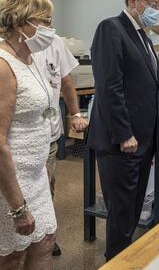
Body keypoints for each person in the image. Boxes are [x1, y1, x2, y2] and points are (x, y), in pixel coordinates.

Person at [87, 0, 159, 261]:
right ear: (133, 0)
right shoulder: (111, 28)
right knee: (121, 215)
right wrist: (124, 133)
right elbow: (110, 87)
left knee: (134, 211)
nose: (156, 10)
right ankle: (116, 263)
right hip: (121, 143)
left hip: (143, 141)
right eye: (152, 4)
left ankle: (124, 261)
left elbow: (150, 91)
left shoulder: (144, 37)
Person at [0, 0, 57, 269]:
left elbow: (36, 117)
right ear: (19, 21)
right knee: (12, 255)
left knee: (45, 243)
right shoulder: (2, 65)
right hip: (10, 182)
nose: (50, 28)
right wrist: (18, 208)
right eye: (44, 21)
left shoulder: (29, 59)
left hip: (35, 175)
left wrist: (42, 164)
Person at [34, 34, 88, 256]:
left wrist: (75, 113)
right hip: (16, 138)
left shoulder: (55, 42)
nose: (47, 26)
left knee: (47, 187)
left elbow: (65, 80)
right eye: (42, 20)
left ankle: (45, 235)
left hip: (48, 135)